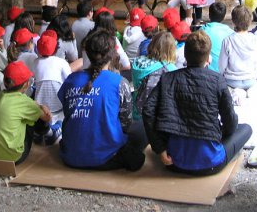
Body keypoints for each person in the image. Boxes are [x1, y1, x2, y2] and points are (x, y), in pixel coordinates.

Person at [142, 30, 252, 176]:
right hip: (210, 164)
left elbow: (148, 110)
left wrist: (160, 149)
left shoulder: (168, 78)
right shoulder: (217, 80)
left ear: (185, 55)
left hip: (173, 161)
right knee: (245, 129)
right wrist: (221, 133)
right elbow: (230, 122)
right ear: (208, 58)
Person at [58, 29, 147, 171]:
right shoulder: (119, 82)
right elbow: (125, 123)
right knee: (143, 127)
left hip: (70, 156)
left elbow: (68, 112)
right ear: (112, 54)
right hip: (107, 158)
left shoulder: (70, 80)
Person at [0, 61, 54, 164]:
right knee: (35, 118)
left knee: (27, 114)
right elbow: (46, 117)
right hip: (13, 158)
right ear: (26, 84)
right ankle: (46, 135)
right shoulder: (25, 102)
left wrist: (38, 106)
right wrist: (43, 107)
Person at [132, 31, 177, 119]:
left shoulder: (138, 62)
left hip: (137, 112)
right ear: (171, 50)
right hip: (156, 116)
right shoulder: (171, 69)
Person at [219, 6, 257, 91]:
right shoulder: (256, 39)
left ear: (233, 22)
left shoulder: (227, 40)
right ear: (250, 22)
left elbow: (222, 65)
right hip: (250, 80)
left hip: (231, 81)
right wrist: (254, 76)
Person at [33, 30, 71, 123]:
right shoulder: (61, 62)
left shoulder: (35, 62)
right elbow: (70, 79)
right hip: (59, 106)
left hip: (40, 108)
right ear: (56, 49)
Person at [200, 2, 234, 73]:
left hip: (207, 71)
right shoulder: (231, 32)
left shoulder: (202, 31)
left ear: (209, 15)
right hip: (225, 72)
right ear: (224, 16)